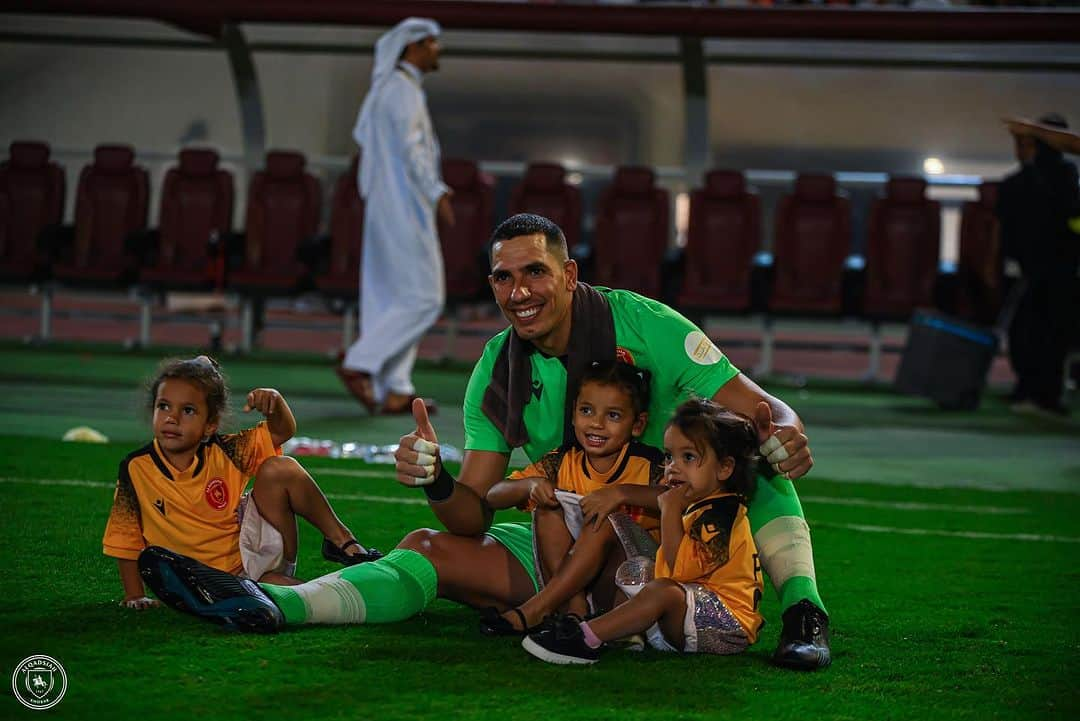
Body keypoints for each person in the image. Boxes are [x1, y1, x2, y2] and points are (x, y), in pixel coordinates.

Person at [140, 213, 830, 671]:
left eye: (534, 272)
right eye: (503, 276)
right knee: (426, 544)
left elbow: (757, 404)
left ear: (567, 275)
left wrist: (788, 429)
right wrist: (438, 478)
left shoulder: (648, 325)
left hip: (677, 537)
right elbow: (474, 510)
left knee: (758, 454)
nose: (518, 289)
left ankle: (804, 612)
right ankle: (269, 603)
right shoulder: (497, 371)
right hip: (572, 537)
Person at [105, 355, 380, 609]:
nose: (172, 418)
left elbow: (282, 431)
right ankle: (351, 594)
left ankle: (343, 543)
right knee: (296, 596)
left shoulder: (227, 451)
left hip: (248, 564)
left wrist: (275, 401)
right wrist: (135, 596)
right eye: (163, 406)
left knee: (279, 468)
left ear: (210, 425)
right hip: (198, 584)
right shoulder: (135, 467)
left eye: (188, 410)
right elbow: (126, 539)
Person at [522, 399, 764, 665]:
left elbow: (676, 575)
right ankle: (621, 630)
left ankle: (584, 638)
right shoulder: (700, 502)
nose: (673, 467)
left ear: (724, 468)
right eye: (670, 456)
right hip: (688, 612)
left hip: (723, 625)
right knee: (635, 560)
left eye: (689, 457)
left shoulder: (721, 515)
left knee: (663, 590)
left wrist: (669, 510)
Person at [482, 360, 665, 632]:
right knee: (548, 509)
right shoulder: (562, 461)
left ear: (637, 424)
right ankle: (574, 609)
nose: (596, 424)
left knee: (602, 519)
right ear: (573, 414)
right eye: (586, 410)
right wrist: (529, 486)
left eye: (613, 415)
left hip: (632, 583)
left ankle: (535, 610)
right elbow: (493, 496)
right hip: (575, 582)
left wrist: (620, 493)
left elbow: (681, 500)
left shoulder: (650, 465)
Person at [337, 16, 454, 415]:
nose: (438, 50)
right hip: (405, 207)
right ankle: (360, 362)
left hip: (387, 207)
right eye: (432, 43)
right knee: (425, 297)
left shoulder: (391, 90)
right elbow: (413, 153)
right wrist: (437, 193)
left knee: (389, 298)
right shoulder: (401, 93)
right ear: (412, 47)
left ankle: (396, 388)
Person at [997, 113, 1080, 417]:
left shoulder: (1057, 175)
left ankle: (1039, 394)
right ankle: (1036, 392)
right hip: (1045, 268)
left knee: (1042, 333)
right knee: (1035, 333)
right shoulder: (1030, 179)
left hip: (1050, 268)